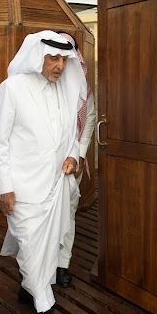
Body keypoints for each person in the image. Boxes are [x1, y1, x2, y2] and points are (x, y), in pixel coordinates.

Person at [0, 30, 86, 314]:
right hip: (23, 188)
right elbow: (0, 142)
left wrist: (73, 155)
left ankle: (28, 287)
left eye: (64, 59)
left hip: (56, 184)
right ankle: (45, 309)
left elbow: (72, 134)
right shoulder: (12, 88)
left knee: (47, 245)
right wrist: (4, 187)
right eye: (53, 58)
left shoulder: (64, 90)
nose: (60, 66)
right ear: (37, 56)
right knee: (31, 244)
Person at [55, 32, 96, 288]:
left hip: (71, 165)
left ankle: (62, 264)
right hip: (41, 167)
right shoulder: (39, 84)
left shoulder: (82, 89)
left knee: (68, 213)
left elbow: (89, 119)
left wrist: (79, 155)